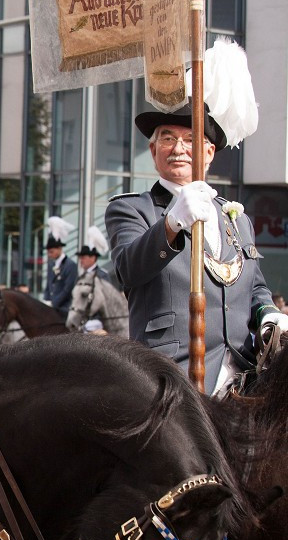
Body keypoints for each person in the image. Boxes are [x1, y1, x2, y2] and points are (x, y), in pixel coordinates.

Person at [105, 104, 288, 395]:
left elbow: (255, 288)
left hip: (244, 378)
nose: (179, 148)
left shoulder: (236, 218)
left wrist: (268, 313)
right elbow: (128, 271)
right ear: (154, 152)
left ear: (210, 153)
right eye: (167, 139)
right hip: (169, 377)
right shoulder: (131, 209)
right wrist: (172, 222)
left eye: (191, 140)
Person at [43, 233, 77, 315]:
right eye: (48, 252)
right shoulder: (51, 264)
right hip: (51, 308)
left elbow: (67, 289)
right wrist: (46, 301)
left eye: (51, 252)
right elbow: (48, 284)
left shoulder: (70, 265)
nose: (49, 254)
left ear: (59, 249)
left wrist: (54, 303)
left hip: (64, 308)